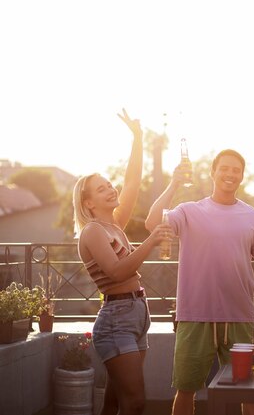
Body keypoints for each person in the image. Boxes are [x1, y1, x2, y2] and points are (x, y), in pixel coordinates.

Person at [145, 149, 254, 415]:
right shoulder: (188, 211)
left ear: (241, 176)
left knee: (250, 391)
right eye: (225, 168)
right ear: (213, 172)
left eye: (236, 170)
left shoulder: (253, 217)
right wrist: (174, 182)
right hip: (194, 317)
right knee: (185, 390)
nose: (230, 174)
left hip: (240, 318)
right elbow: (152, 223)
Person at [72, 109, 171, 415]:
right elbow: (116, 272)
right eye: (101, 189)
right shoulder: (92, 232)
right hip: (116, 319)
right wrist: (151, 241)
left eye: (108, 184)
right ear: (88, 203)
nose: (111, 189)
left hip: (136, 314)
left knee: (116, 401)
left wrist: (138, 139)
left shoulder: (115, 224)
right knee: (135, 402)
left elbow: (131, 182)